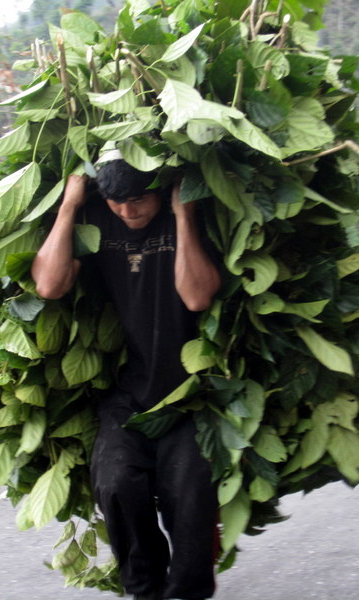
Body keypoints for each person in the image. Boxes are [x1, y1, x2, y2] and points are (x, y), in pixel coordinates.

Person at [31, 158, 222, 600]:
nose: (128, 212)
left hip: (188, 394)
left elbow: (196, 297)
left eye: (138, 199)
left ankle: (187, 591)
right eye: (117, 201)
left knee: (190, 493)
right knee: (115, 484)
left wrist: (183, 214)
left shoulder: (183, 220)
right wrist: (69, 205)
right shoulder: (97, 219)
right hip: (125, 393)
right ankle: (145, 590)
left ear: (160, 188)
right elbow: (49, 286)